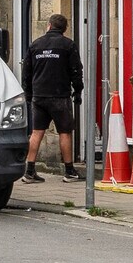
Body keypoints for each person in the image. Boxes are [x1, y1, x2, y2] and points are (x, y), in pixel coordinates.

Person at [22, 13, 84, 183]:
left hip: (39, 96)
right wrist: (77, 91)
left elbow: (26, 71)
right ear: (64, 29)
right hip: (59, 96)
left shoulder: (35, 45)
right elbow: (76, 70)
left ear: (49, 26)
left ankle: (29, 171)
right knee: (65, 132)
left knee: (36, 132)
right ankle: (69, 171)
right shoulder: (68, 45)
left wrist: (28, 93)